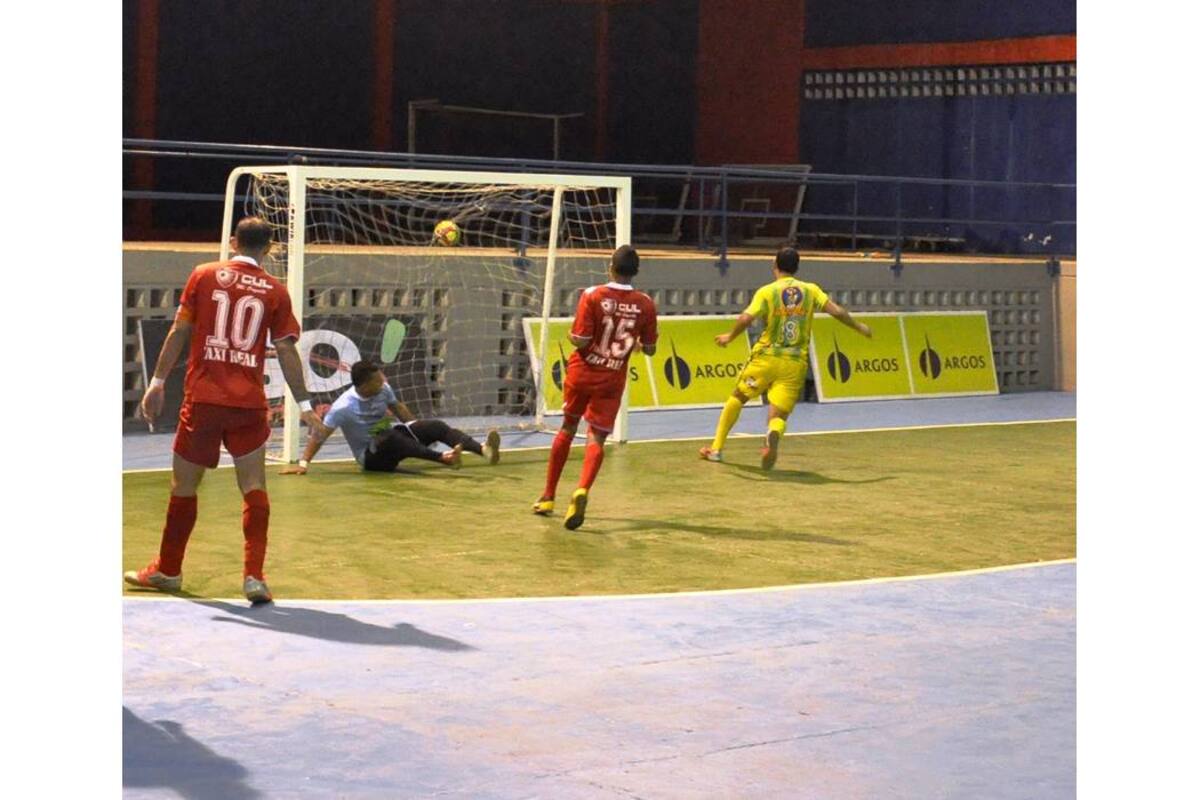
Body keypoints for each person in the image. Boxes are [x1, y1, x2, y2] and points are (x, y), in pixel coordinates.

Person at [126, 216, 322, 604]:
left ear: (233, 241)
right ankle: (254, 577)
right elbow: (285, 349)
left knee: (184, 486)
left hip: (203, 400)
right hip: (248, 404)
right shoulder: (275, 291)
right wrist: (304, 404)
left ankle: (168, 569)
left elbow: (179, 330)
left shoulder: (203, 274)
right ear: (268, 249)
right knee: (254, 488)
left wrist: (157, 382)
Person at [699, 247, 872, 469]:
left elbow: (745, 318)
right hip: (794, 363)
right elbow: (836, 311)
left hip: (766, 358)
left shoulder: (767, 292)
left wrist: (730, 336)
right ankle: (773, 432)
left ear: (775, 267)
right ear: (797, 268)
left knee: (738, 397)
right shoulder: (810, 290)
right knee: (778, 414)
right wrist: (859, 327)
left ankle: (716, 449)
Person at [533, 245, 657, 530]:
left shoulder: (593, 295)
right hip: (612, 378)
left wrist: (570, 335)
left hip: (582, 373)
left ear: (610, 267)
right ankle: (582, 491)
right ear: (635, 272)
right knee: (597, 438)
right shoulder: (646, 303)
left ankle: (548, 496)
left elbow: (579, 338)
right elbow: (649, 349)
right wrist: (633, 344)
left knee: (567, 427)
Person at [280, 360, 501, 475]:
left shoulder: (383, 389)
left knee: (435, 426)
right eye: (376, 381)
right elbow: (319, 435)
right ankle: (444, 458)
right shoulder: (343, 408)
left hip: (391, 438)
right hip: (372, 457)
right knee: (388, 436)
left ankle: (483, 450)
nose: (382, 382)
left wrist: (419, 429)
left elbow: (400, 410)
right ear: (364, 385)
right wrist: (303, 463)